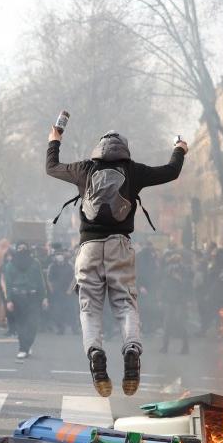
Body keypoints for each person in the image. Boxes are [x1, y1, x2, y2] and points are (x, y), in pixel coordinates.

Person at [46, 126, 186, 397]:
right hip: (119, 246)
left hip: (88, 248)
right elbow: (171, 171)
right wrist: (179, 149)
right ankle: (132, 350)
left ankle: (96, 355)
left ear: (98, 148)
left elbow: (51, 167)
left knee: (89, 308)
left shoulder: (84, 169)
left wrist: (55, 139)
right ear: (124, 149)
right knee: (125, 304)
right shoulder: (133, 170)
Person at [1, 242, 47, 359]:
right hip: (18, 297)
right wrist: (9, 300)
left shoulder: (35, 263)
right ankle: (23, 348)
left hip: (33, 297)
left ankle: (27, 344)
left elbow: (41, 281)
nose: (22, 250)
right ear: (16, 250)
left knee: (33, 324)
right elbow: (8, 284)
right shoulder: (10, 265)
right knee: (21, 324)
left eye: (24, 248)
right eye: (19, 248)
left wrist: (44, 297)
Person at [158, 254, 192, 354]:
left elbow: (187, 287)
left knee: (180, 324)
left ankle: (185, 347)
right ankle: (165, 347)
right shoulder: (167, 273)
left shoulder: (184, 273)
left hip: (179, 302)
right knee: (168, 324)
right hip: (171, 301)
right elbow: (163, 285)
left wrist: (180, 280)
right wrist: (162, 298)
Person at [46, 245, 77, 335]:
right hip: (57, 292)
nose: (59, 256)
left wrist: (70, 290)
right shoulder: (52, 266)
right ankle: (60, 328)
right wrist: (52, 290)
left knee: (71, 310)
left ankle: (75, 328)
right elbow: (49, 279)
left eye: (61, 254)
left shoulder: (70, 265)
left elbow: (74, 278)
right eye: (57, 254)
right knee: (58, 311)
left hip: (68, 291)